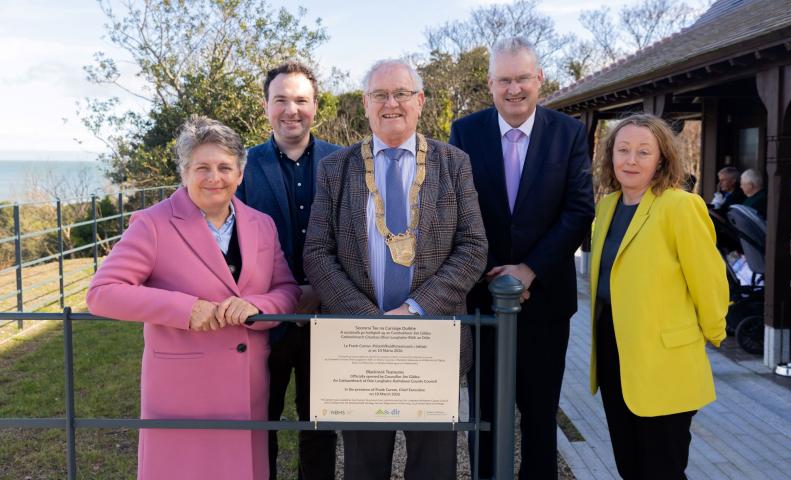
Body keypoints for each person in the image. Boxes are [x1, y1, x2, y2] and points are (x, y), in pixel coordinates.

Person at [86, 116, 301, 480]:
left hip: (248, 389)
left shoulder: (261, 224)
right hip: (181, 392)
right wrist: (185, 309)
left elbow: (287, 290)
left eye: (224, 167)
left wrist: (259, 306)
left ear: (240, 174)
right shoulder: (152, 224)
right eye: (202, 167)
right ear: (185, 173)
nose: (213, 177)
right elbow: (102, 293)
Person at [303, 59, 487, 480]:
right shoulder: (337, 168)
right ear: (366, 105)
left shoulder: (454, 163)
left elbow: (474, 247)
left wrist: (415, 309)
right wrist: (369, 322)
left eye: (401, 93)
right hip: (359, 343)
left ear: (420, 101)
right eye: (379, 95)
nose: (391, 103)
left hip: (432, 338)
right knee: (364, 466)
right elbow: (317, 251)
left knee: (434, 466)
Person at [449, 36, 594, 479]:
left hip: (547, 300)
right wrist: (494, 272)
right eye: (505, 80)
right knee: (486, 414)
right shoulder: (465, 132)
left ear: (540, 79)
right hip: (484, 300)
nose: (515, 89)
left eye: (523, 78)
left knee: (539, 416)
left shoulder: (567, 133)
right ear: (491, 84)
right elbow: (457, 206)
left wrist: (530, 270)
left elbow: (579, 208)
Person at [589, 113, 728, 479]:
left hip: (665, 361)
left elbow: (709, 279)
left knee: (662, 469)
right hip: (613, 352)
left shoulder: (680, 206)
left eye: (643, 152)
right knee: (629, 466)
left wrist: (713, 332)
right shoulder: (605, 209)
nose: (630, 160)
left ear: (662, 159)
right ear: (611, 156)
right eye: (623, 150)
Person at [236, 60, 341, 480]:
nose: (291, 109)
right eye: (281, 100)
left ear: (316, 106)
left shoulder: (344, 161)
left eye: (301, 100)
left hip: (329, 314)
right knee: (262, 422)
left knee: (320, 423)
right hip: (264, 319)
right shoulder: (242, 165)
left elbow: (355, 236)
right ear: (266, 106)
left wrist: (321, 285)